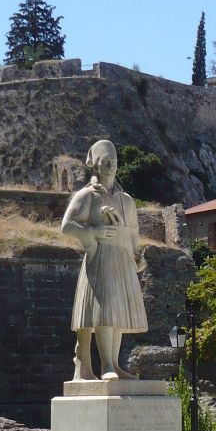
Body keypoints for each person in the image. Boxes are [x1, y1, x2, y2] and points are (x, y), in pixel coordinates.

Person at [61, 140, 148, 380]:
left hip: (123, 259)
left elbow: (133, 234)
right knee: (104, 311)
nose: (111, 166)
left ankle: (115, 365)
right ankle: (106, 365)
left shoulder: (127, 200)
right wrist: (93, 232)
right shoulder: (87, 195)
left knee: (117, 313)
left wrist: (137, 256)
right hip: (101, 257)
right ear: (96, 166)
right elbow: (66, 225)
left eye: (114, 162)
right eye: (106, 162)